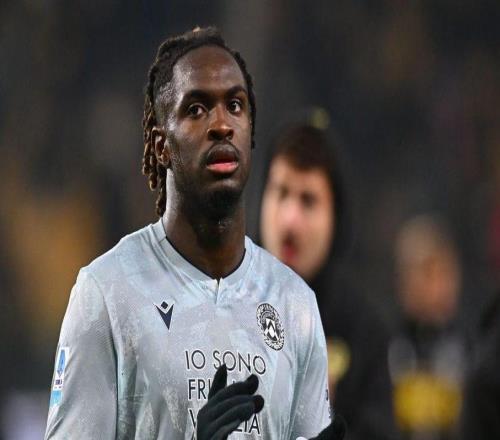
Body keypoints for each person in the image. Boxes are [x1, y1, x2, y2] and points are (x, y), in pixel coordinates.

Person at [44, 27, 345, 439]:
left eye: (235, 106)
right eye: (197, 109)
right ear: (161, 145)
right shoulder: (107, 294)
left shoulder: (295, 305)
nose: (222, 124)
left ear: (250, 133)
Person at [260, 123, 398, 440]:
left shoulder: (365, 332)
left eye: (308, 200)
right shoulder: (220, 305)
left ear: (335, 216)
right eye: (281, 192)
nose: (290, 220)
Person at [389, 215, 466, 440]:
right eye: (427, 273)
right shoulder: (387, 348)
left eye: (445, 273)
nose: (438, 286)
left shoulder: (470, 349)